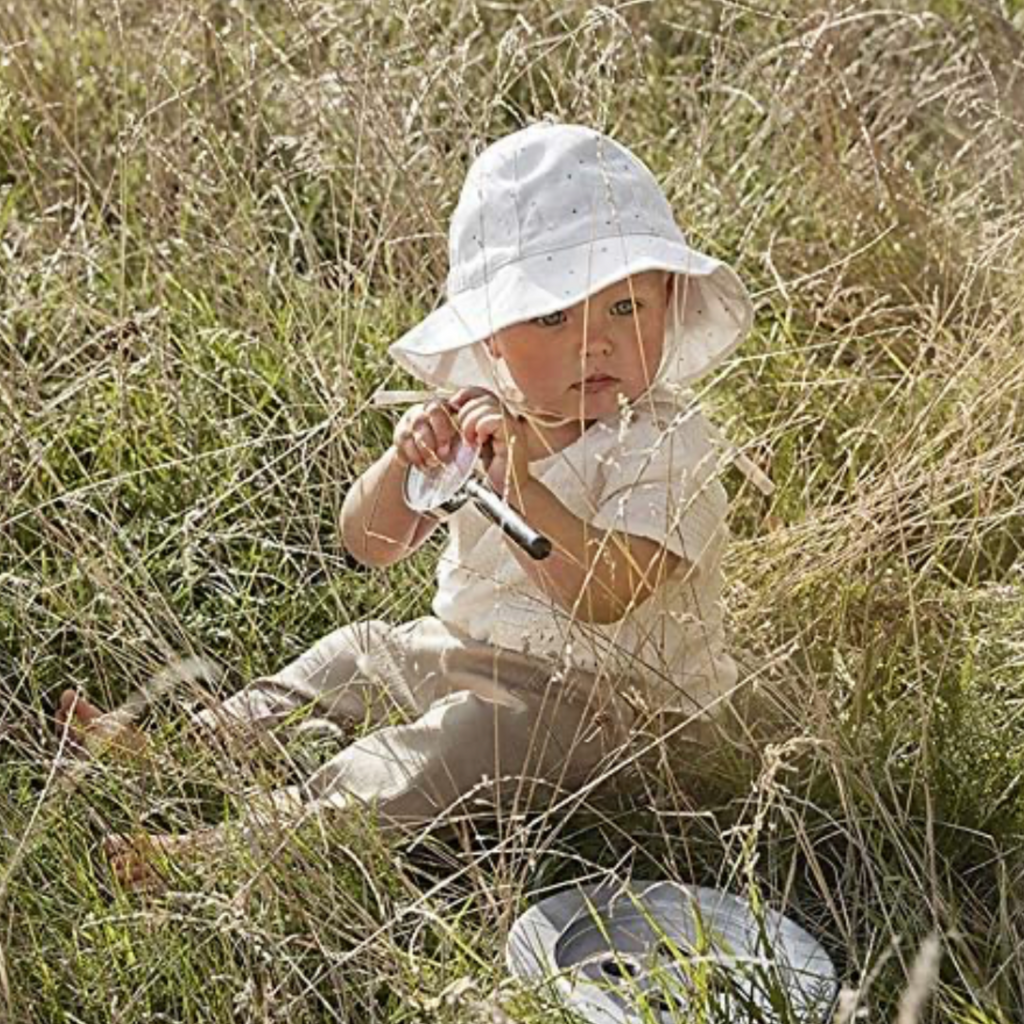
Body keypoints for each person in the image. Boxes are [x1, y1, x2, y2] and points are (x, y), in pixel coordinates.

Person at [56, 123, 753, 889]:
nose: (597, 343)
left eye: (627, 306)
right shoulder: (476, 417)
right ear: (490, 335)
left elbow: (610, 591)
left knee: (450, 749)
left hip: (617, 713)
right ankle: (199, 744)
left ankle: (246, 847)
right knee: (354, 650)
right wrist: (403, 461)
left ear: (670, 302)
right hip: (470, 652)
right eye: (553, 318)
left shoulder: (664, 440)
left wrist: (519, 481)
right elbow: (369, 542)